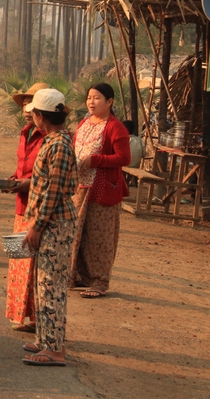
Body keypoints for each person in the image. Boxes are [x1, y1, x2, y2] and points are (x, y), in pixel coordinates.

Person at [20, 88, 77, 367]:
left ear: (41, 117)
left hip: (55, 223)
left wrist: (37, 226)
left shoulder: (58, 146)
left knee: (51, 285)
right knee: (42, 284)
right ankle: (45, 340)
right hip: (50, 222)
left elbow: (53, 192)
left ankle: (55, 349)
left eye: (34, 113)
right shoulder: (55, 141)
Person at [70, 83, 131, 298]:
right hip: (80, 187)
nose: (91, 102)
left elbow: (124, 158)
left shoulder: (115, 127)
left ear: (110, 102)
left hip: (103, 189)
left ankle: (99, 281)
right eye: (89, 97)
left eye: (97, 98)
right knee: (77, 233)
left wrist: (96, 159)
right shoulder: (84, 122)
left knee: (100, 236)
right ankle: (78, 276)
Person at [4, 82, 51, 332]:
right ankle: (22, 314)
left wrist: (26, 184)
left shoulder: (50, 139)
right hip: (21, 204)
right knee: (19, 260)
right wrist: (14, 179)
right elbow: (22, 166)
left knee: (34, 263)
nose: (26, 106)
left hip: (39, 207)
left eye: (31, 101)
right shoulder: (25, 132)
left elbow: (49, 178)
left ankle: (36, 317)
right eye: (24, 101)